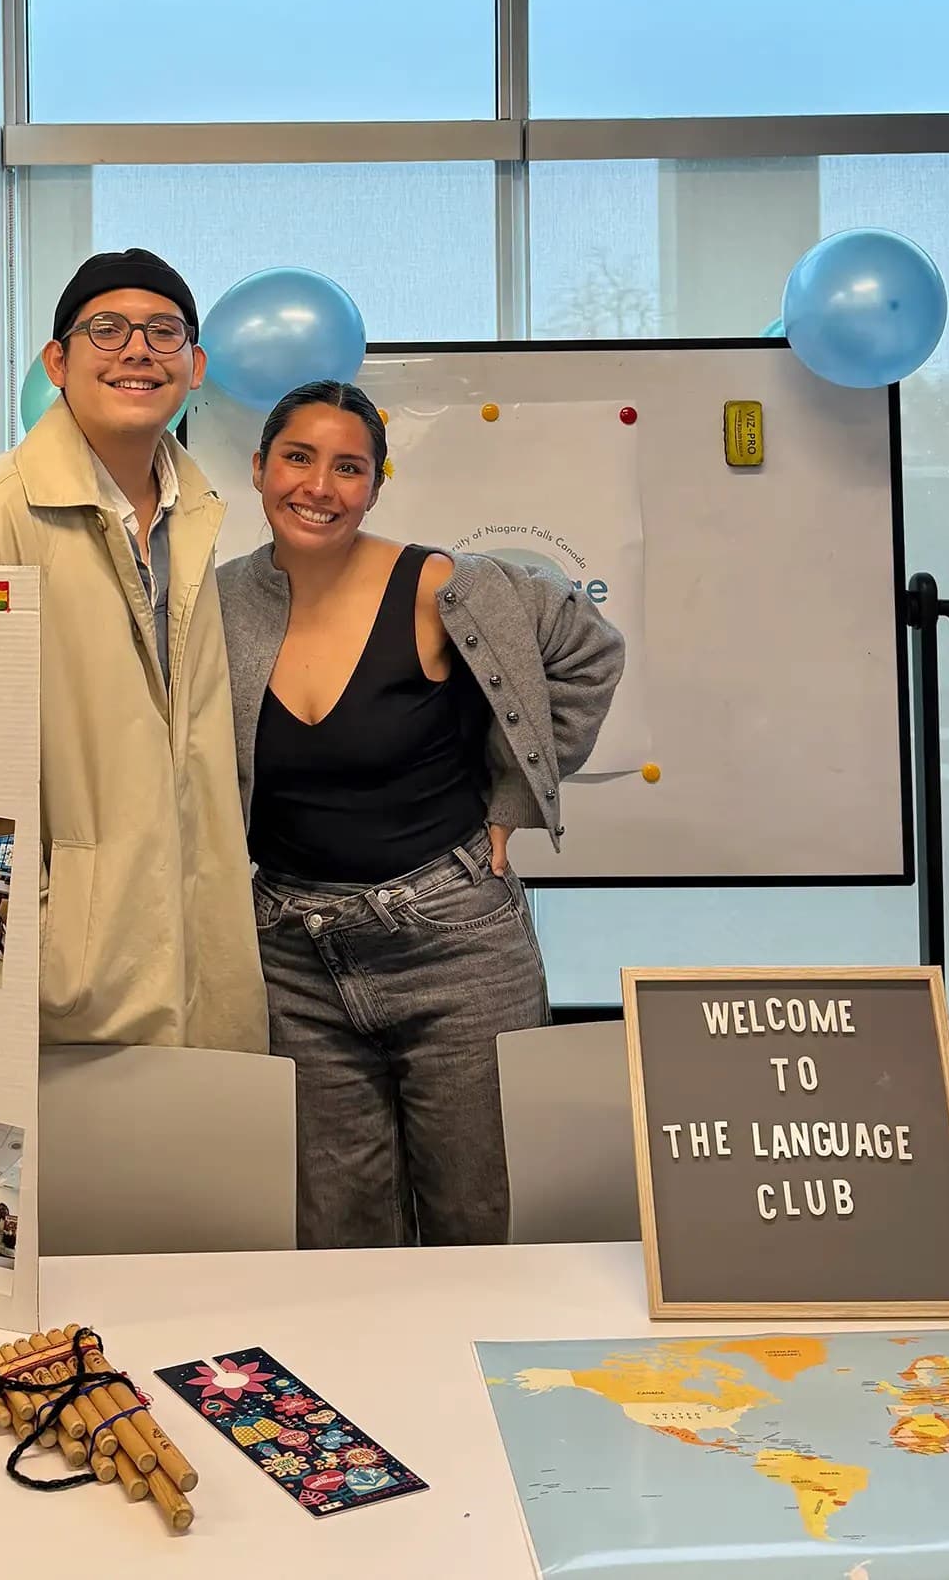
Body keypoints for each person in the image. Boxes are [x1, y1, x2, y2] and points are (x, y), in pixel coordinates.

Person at [216, 380, 625, 1251]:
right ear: (258, 469)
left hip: (457, 944)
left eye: (348, 468)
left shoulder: (449, 587)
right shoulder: (217, 605)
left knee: (483, 1219)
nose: (319, 487)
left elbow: (590, 652)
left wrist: (515, 803)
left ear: (374, 486)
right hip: (292, 954)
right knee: (333, 1233)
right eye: (298, 458)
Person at [0, 248, 264, 1053]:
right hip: (60, 959)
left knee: (189, 1172)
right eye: (106, 329)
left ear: (196, 365)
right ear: (57, 360)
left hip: (191, 933)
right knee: (77, 1179)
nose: (137, 350)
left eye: (162, 331)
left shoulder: (196, 512)